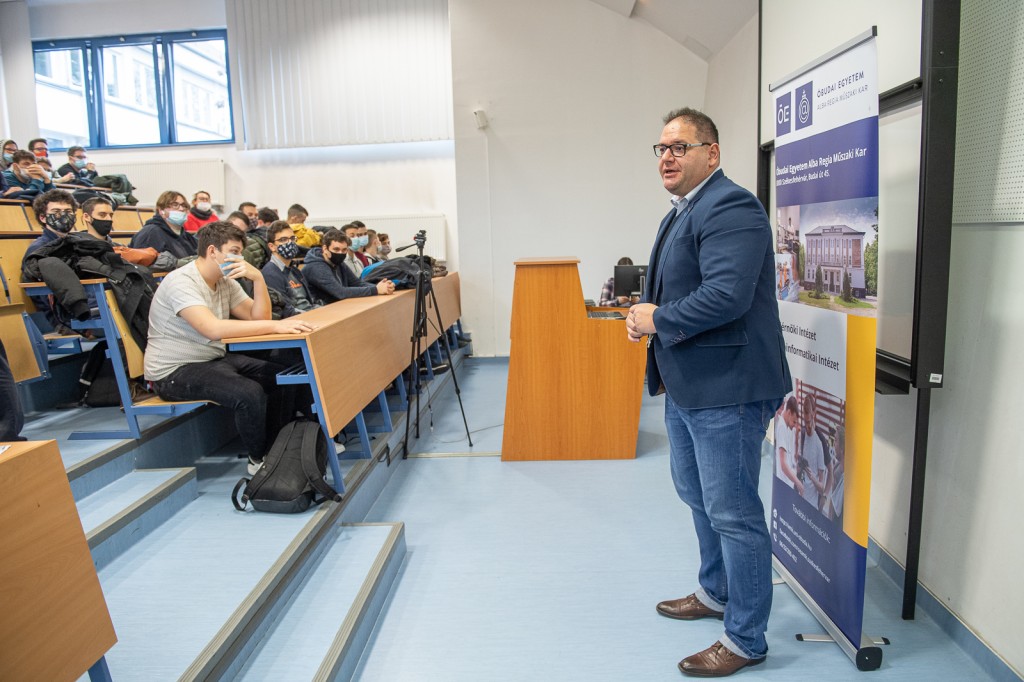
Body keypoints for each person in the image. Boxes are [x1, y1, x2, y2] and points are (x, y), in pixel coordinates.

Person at [625, 107, 791, 677]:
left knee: (734, 514)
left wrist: (657, 318)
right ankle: (716, 591)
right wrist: (646, 315)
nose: (667, 158)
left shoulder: (732, 206)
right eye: (662, 149)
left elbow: (726, 296)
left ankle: (745, 639)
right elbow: (680, 288)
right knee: (698, 497)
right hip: (690, 385)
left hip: (730, 388)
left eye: (680, 147)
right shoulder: (684, 211)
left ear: (711, 153)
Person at [144, 221, 316, 472]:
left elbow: (259, 318)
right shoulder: (181, 281)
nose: (239, 259)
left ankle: (275, 448)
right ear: (212, 251)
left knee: (283, 377)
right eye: (234, 252)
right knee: (249, 393)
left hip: (210, 359)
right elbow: (212, 329)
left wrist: (258, 278)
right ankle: (258, 460)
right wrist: (276, 326)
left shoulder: (225, 280)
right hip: (172, 370)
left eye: (241, 253)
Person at [303, 229, 394, 302]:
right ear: (325, 249)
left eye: (344, 250)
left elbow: (357, 283)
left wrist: (383, 286)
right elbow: (340, 292)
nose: (340, 253)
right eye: (336, 249)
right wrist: (376, 289)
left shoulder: (338, 262)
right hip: (321, 310)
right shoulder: (316, 267)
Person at [261, 221, 319, 314]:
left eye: (292, 238)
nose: (290, 243)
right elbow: (285, 310)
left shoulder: (294, 270)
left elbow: (309, 301)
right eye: (283, 239)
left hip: (311, 312)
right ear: (272, 246)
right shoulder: (270, 273)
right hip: (299, 318)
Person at [130, 190, 198, 263]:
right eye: (175, 205)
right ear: (161, 211)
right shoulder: (150, 233)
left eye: (184, 206)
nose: (181, 209)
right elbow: (143, 264)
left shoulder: (186, 236)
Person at [797, 394, 828, 509]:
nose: (808, 426)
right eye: (805, 422)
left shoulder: (819, 445)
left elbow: (822, 489)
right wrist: (799, 467)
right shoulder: (801, 436)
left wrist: (812, 478)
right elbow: (797, 470)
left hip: (811, 506)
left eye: (809, 421)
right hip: (799, 500)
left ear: (814, 414)